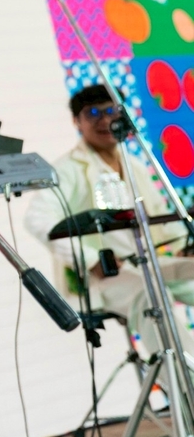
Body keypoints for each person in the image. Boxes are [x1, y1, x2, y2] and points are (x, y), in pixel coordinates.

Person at [25, 84, 194, 371]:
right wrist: (92, 261)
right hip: (108, 277)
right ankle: (185, 385)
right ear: (76, 121)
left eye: (111, 111)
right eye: (93, 113)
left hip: (151, 263)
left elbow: (160, 218)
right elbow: (37, 220)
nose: (105, 120)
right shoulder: (67, 169)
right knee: (152, 296)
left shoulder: (134, 163)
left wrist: (183, 247)